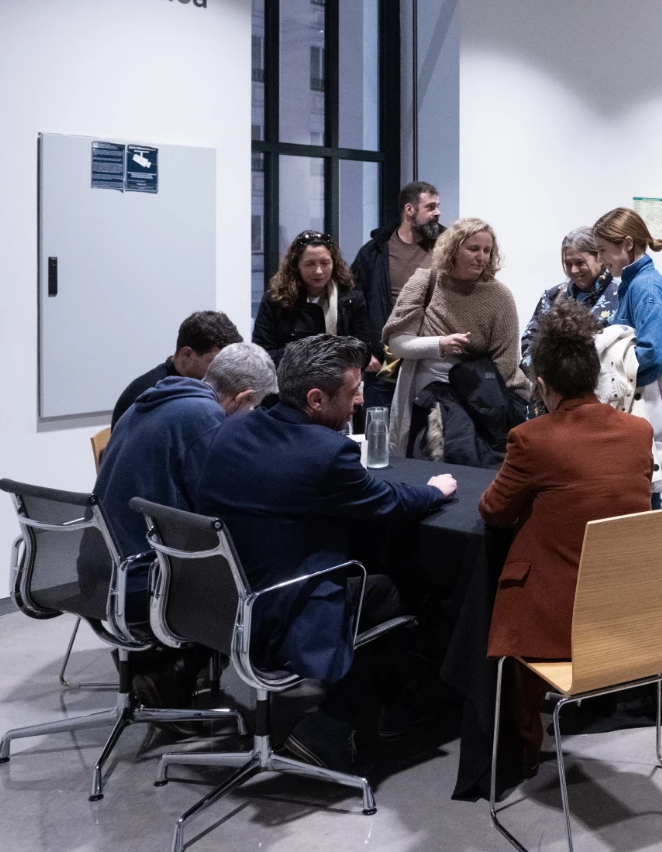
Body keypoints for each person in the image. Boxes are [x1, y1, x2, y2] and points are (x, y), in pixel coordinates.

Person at [187, 335, 457, 769]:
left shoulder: (233, 428)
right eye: (353, 391)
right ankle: (333, 724)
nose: (360, 400)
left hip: (217, 603)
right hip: (276, 610)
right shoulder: (327, 453)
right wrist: (433, 491)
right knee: (394, 591)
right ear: (315, 398)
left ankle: (382, 705)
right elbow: (387, 502)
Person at [480, 301, 654, 774]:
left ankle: (519, 755)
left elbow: (494, 512)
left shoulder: (532, 438)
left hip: (560, 624)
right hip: (634, 614)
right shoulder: (639, 431)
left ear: (542, 384)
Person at [93, 342, 276, 709]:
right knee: (264, 573)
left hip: (102, 569)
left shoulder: (155, 398)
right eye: (255, 409)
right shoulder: (204, 419)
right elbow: (221, 510)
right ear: (243, 397)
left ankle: (166, 669)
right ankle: (173, 673)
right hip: (142, 579)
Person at [384, 217, 532, 458]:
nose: (481, 257)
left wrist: (471, 397)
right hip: (422, 399)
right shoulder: (426, 282)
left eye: (487, 250)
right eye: (473, 248)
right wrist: (440, 344)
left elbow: (506, 365)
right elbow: (397, 344)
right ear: (453, 250)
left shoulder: (500, 296)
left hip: (477, 404)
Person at [594, 207, 662, 503]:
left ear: (627, 243)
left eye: (602, 251)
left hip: (648, 414)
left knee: (642, 503)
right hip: (640, 415)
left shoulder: (645, 287)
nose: (600, 260)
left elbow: (651, 356)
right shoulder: (633, 284)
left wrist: (607, 365)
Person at [351, 181, 442, 405]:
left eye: (438, 206)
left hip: (431, 359)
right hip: (385, 360)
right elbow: (353, 304)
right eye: (430, 207)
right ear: (409, 210)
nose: (437, 213)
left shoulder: (446, 247)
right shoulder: (375, 251)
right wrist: (363, 351)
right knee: (381, 428)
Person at [253, 231, 376, 373]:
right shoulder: (276, 300)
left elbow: (364, 353)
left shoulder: (353, 299)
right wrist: (310, 354)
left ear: (334, 263)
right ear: (296, 266)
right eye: (310, 264)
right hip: (289, 383)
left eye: (325, 263)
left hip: (338, 385)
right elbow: (262, 354)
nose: (318, 271)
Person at [519, 226, 620, 390]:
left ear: (600, 258)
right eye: (568, 263)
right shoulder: (553, 296)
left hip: (600, 394)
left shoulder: (620, 296)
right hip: (552, 395)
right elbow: (530, 341)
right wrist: (546, 380)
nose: (574, 270)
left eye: (580, 263)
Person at [111, 311, 242, 428]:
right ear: (186, 355)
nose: (224, 373)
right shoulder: (152, 397)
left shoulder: (192, 389)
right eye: (216, 363)